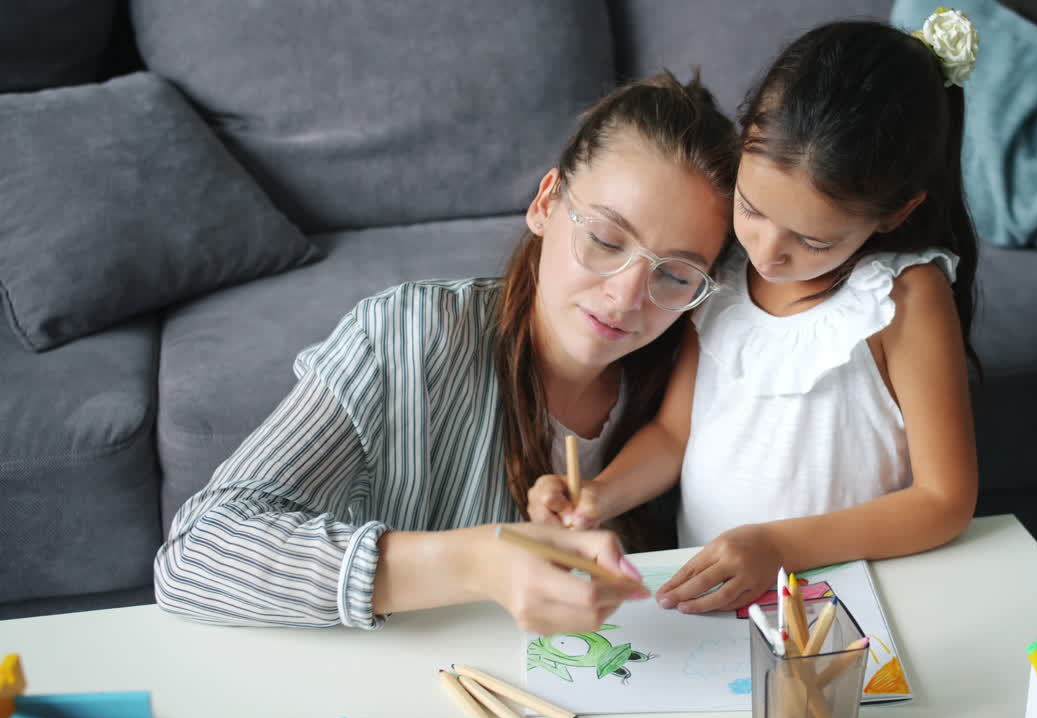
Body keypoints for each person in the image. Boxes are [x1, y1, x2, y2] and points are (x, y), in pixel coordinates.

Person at [153, 71, 739, 634]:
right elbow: (196, 554)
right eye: (606, 240)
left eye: (676, 275)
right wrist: (478, 563)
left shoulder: (693, 366)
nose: (627, 296)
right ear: (546, 203)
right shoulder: (405, 336)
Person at [528, 14, 983, 614]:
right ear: (743, 146)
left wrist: (780, 546)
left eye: (813, 242)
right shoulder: (722, 274)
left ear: (895, 214)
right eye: (751, 209)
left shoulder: (902, 297)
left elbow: (945, 500)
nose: (767, 253)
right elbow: (674, 434)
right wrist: (597, 496)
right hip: (710, 602)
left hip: (840, 601)